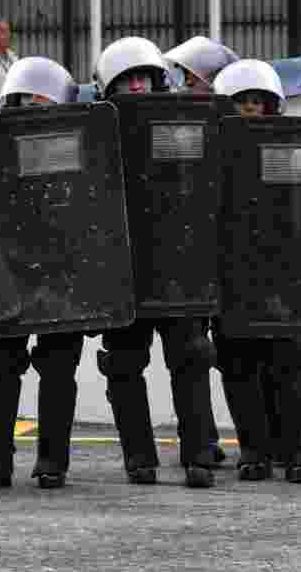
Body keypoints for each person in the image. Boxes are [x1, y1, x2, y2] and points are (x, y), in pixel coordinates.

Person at [93, 36, 218, 488]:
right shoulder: (96, 132)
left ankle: (199, 454)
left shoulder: (185, 124)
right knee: (124, 365)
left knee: (190, 358)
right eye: (127, 80)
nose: (138, 86)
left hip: (178, 264)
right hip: (124, 268)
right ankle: (138, 458)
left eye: (143, 76)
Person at [0, 56, 83, 491]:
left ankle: (53, 461)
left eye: (43, 99)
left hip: (61, 272)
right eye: (26, 99)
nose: (34, 106)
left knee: (57, 369)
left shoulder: (81, 144)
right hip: (6, 271)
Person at [212, 59, 301, 483]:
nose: (251, 108)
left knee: (294, 355)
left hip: (284, 271)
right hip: (230, 270)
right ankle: (254, 450)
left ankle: (298, 449)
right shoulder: (211, 147)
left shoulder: (293, 148)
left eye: (258, 101)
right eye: (241, 101)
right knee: (238, 361)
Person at [164, 35, 241, 466]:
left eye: (191, 79)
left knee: (228, 353)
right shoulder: (178, 124)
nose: (182, 86)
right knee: (192, 351)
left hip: (224, 252)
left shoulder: (228, 124)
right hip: (189, 253)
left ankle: (250, 440)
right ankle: (200, 437)